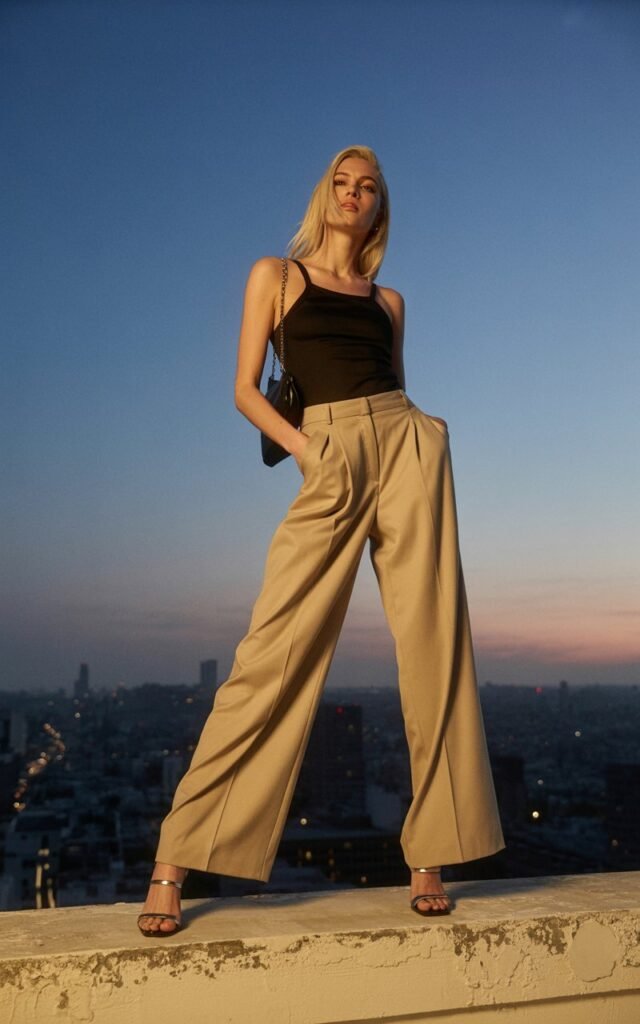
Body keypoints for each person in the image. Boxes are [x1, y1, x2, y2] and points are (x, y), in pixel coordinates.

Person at [137, 144, 505, 936]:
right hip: (328, 452)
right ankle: (176, 857)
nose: (353, 194)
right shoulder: (275, 276)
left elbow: (392, 382)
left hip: (407, 447)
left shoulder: (390, 300)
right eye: (342, 182)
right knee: (272, 653)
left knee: (435, 649)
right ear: (324, 194)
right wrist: (308, 451)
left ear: (379, 209)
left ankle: (430, 852)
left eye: (367, 187)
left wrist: (424, 437)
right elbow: (243, 390)